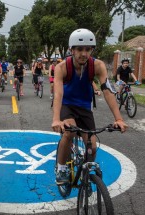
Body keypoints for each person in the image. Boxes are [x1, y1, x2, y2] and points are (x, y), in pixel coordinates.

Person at [51, 28, 128, 184]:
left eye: (88, 49)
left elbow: (107, 91)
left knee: (92, 146)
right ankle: (61, 168)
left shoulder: (98, 66)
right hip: (67, 105)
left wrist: (118, 118)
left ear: (92, 49)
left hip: (85, 108)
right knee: (69, 133)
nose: (84, 53)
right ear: (71, 49)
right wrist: (56, 119)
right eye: (79, 49)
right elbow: (58, 94)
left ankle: (85, 171)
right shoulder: (62, 67)